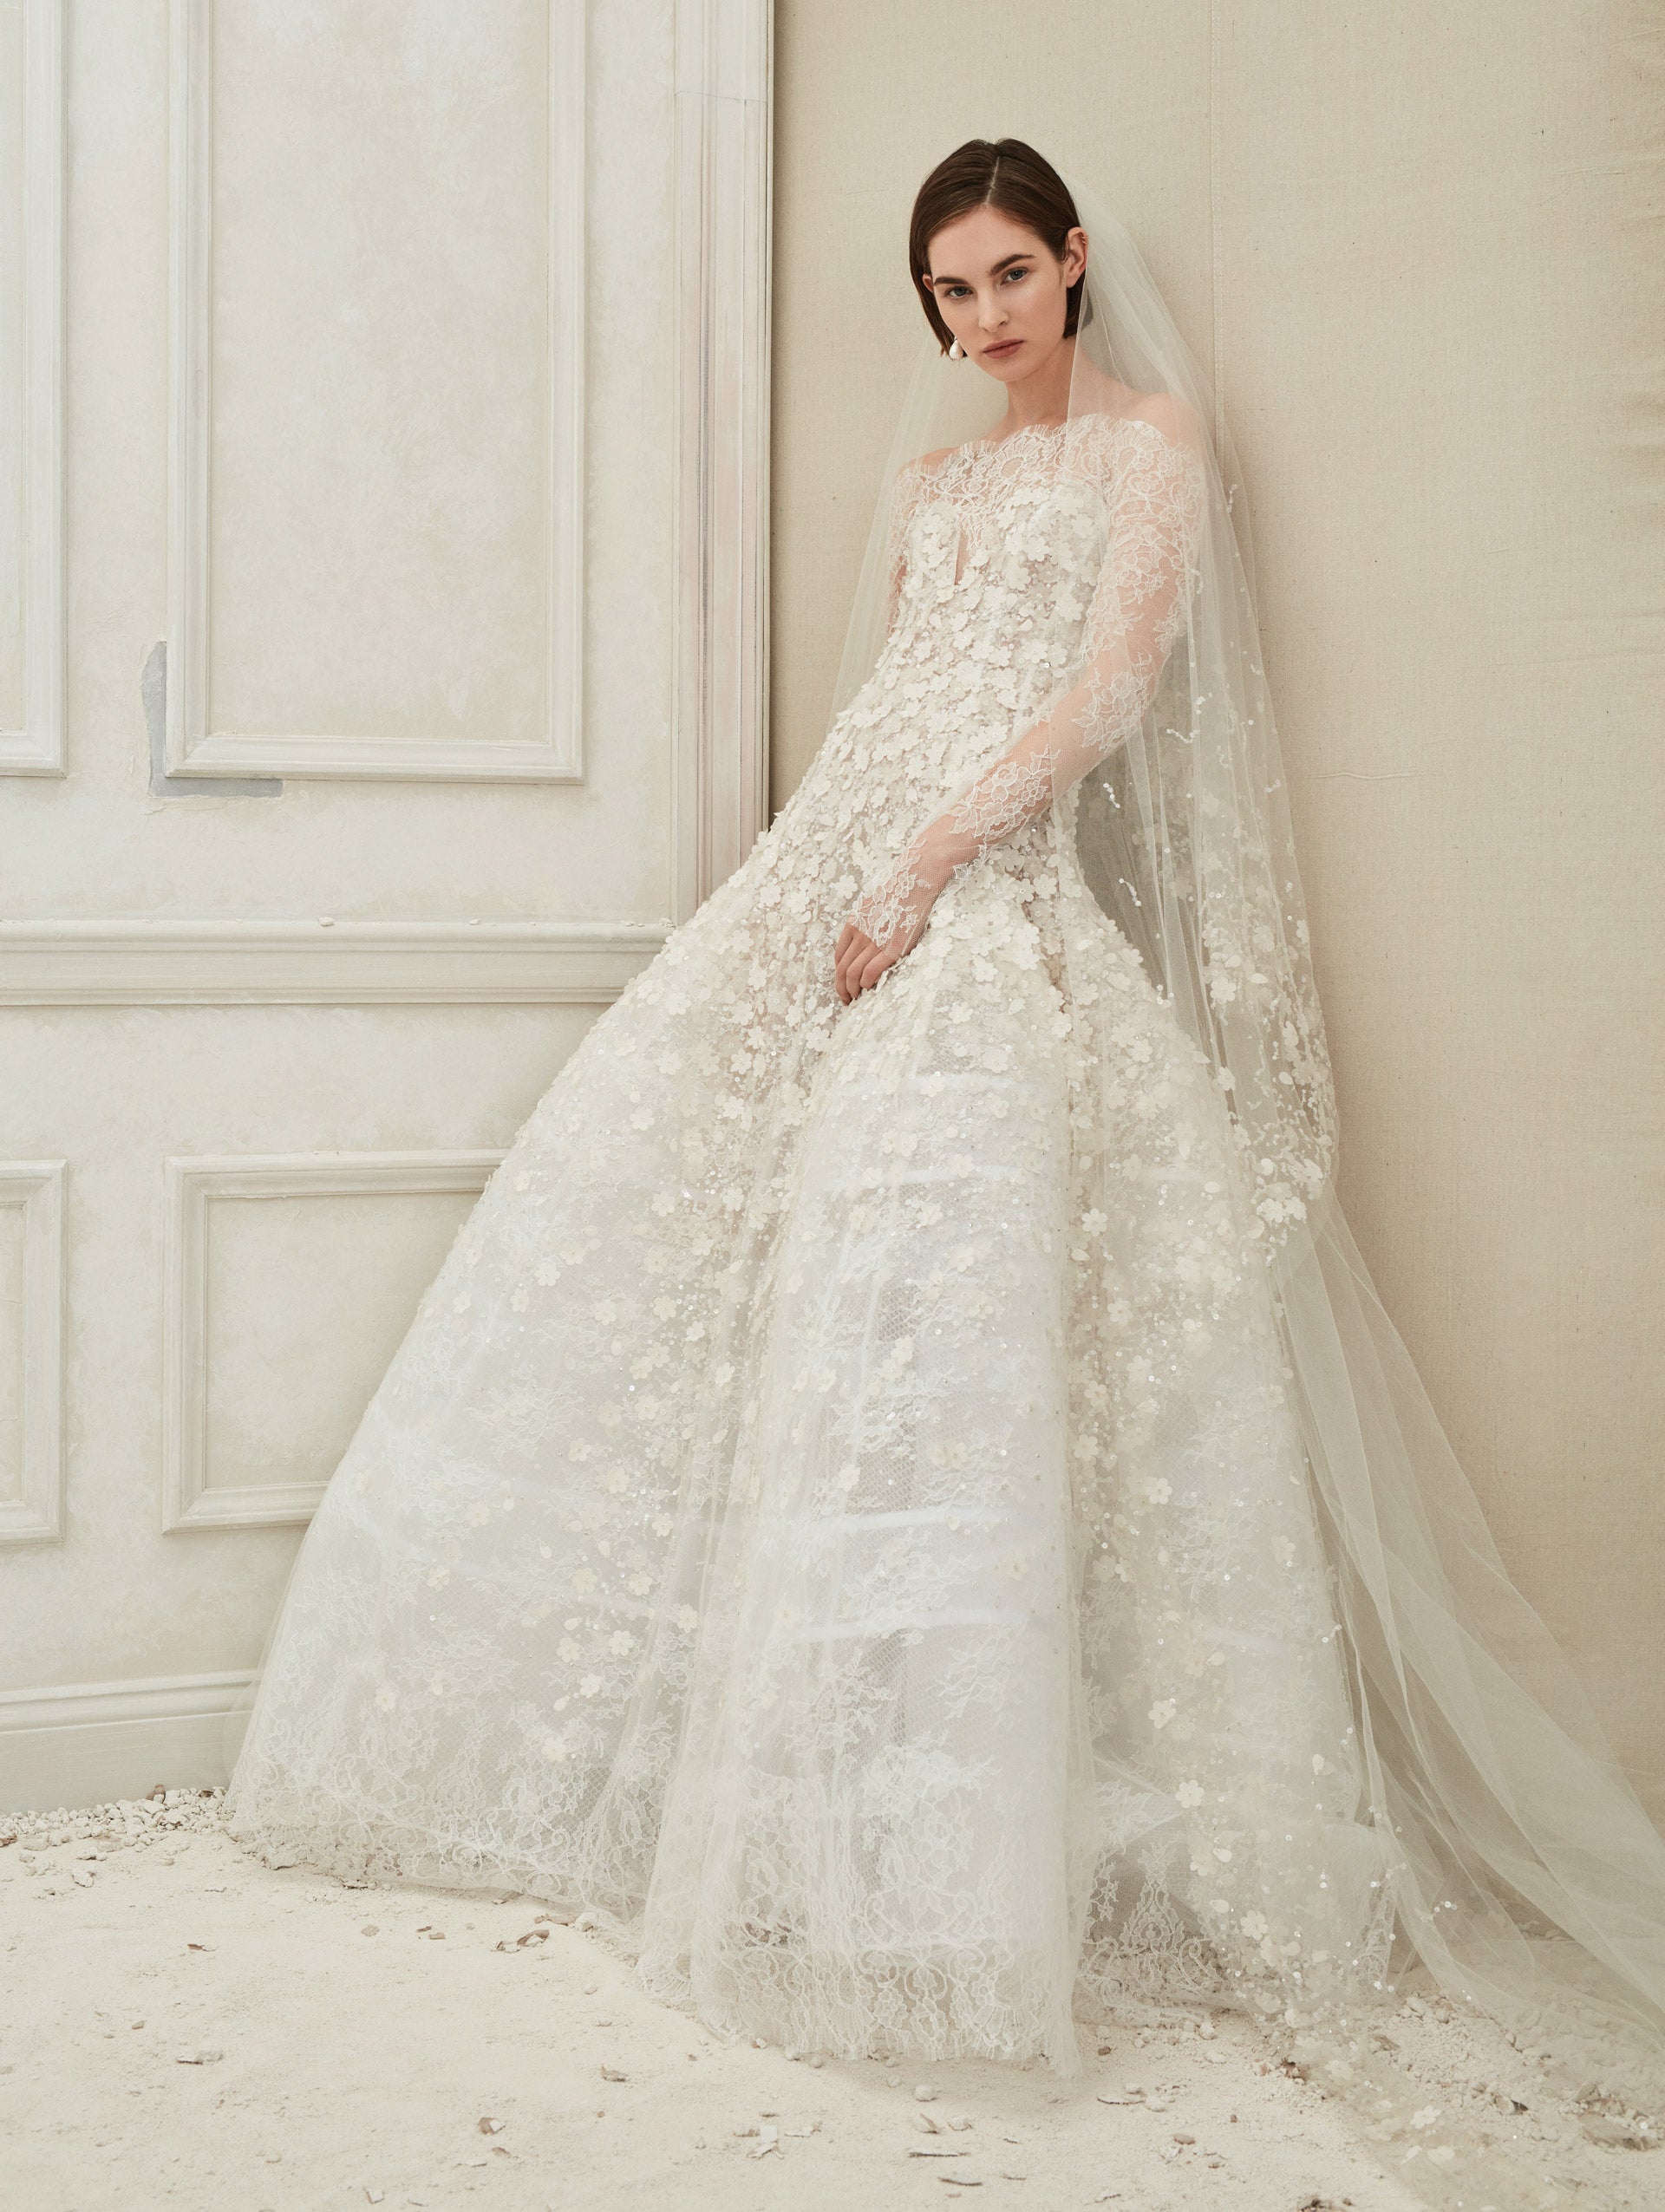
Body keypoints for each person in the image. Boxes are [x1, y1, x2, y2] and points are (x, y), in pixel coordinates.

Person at [226, 138, 1665, 2192]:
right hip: (849, 876)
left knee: (949, 1326)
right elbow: (891, 701)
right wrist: (821, 876)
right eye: (949, 294)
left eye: (1004, 275)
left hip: (982, 894)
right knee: (708, 1258)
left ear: (1071, 261)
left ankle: (951, 1844)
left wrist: (926, 861)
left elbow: (1114, 685)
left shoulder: (1152, 446)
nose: (980, 320)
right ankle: (791, 1806)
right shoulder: (930, 489)